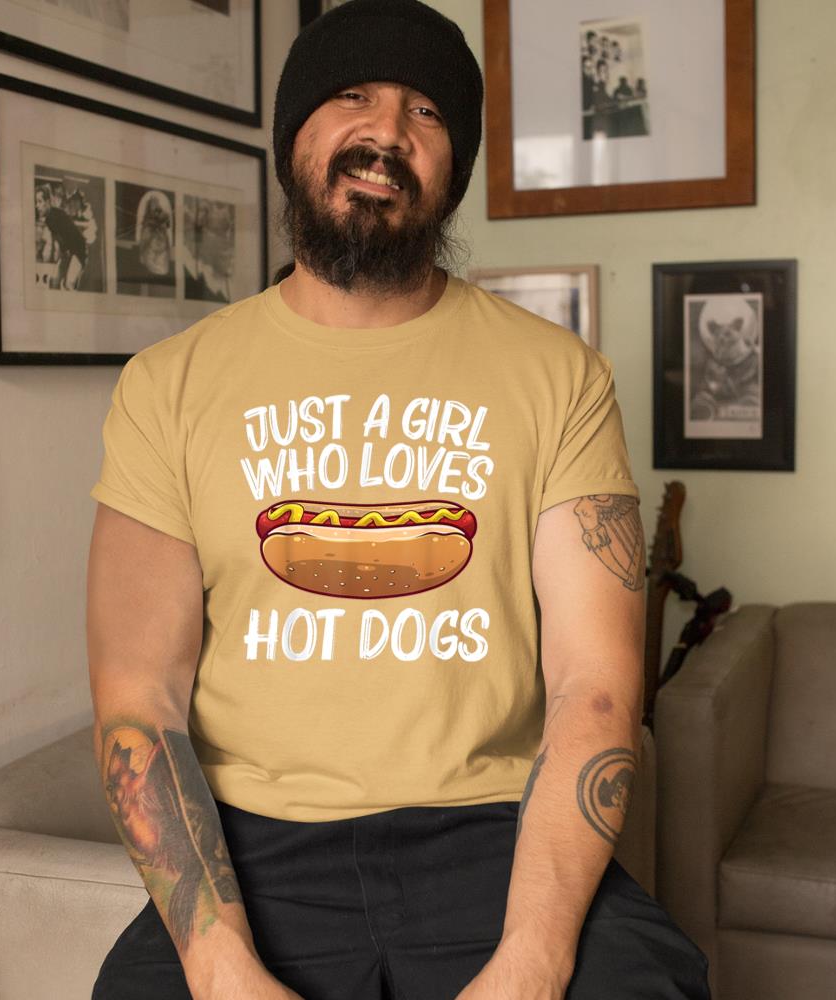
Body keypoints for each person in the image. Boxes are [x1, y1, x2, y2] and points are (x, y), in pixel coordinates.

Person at [86, 2, 711, 998]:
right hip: (253, 844)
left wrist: (533, 960)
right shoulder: (168, 385)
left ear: (452, 168)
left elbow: (594, 685)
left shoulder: (560, 376)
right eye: (352, 97)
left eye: (425, 111)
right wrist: (219, 966)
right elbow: (138, 698)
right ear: (293, 137)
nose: (386, 132)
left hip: (493, 832)